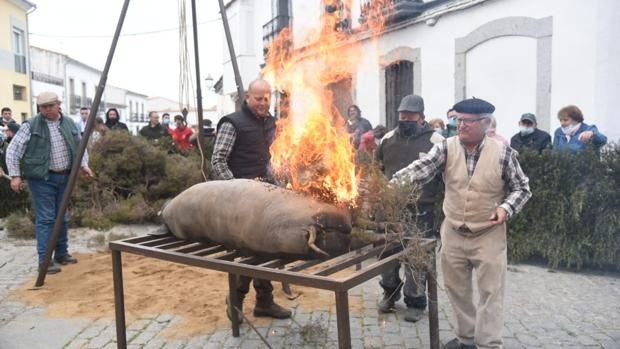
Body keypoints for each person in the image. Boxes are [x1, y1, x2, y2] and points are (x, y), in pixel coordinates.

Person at [391, 97, 531, 349]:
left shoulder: (503, 153)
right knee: (457, 290)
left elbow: (522, 188)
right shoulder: (445, 147)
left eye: (467, 121)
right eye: (457, 119)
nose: (461, 125)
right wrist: (389, 186)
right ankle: (466, 339)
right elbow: (418, 169)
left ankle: (488, 344)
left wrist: (505, 208)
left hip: (488, 235)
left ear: (486, 123)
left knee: (491, 293)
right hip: (453, 232)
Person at [212, 79, 290, 320]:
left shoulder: (271, 123)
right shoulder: (232, 123)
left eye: (267, 98)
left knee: (266, 249)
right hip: (241, 200)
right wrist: (238, 190)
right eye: (258, 98)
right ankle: (236, 301)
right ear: (247, 98)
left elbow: (273, 159)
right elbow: (218, 161)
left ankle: (264, 302)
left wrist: (281, 182)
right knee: (248, 252)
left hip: (266, 197)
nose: (263, 102)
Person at [6, 92, 94, 274]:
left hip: (65, 177)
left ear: (58, 104)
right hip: (42, 179)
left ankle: (61, 254)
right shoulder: (30, 126)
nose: (46, 110)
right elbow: (13, 150)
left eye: (49, 106)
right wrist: (15, 175)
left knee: (62, 217)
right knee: (46, 219)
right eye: (42, 107)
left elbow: (80, 145)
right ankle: (44, 261)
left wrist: (84, 165)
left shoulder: (69, 123)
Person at [375, 94, 444, 322]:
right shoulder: (387, 140)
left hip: (420, 212)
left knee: (416, 257)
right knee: (387, 255)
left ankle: (415, 301)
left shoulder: (435, 141)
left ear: (421, 118)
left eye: (410, 116)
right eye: (402, 116)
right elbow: (377, 170)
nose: (405, 119)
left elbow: (445, 177)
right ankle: (389, 292)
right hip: (390, 212)